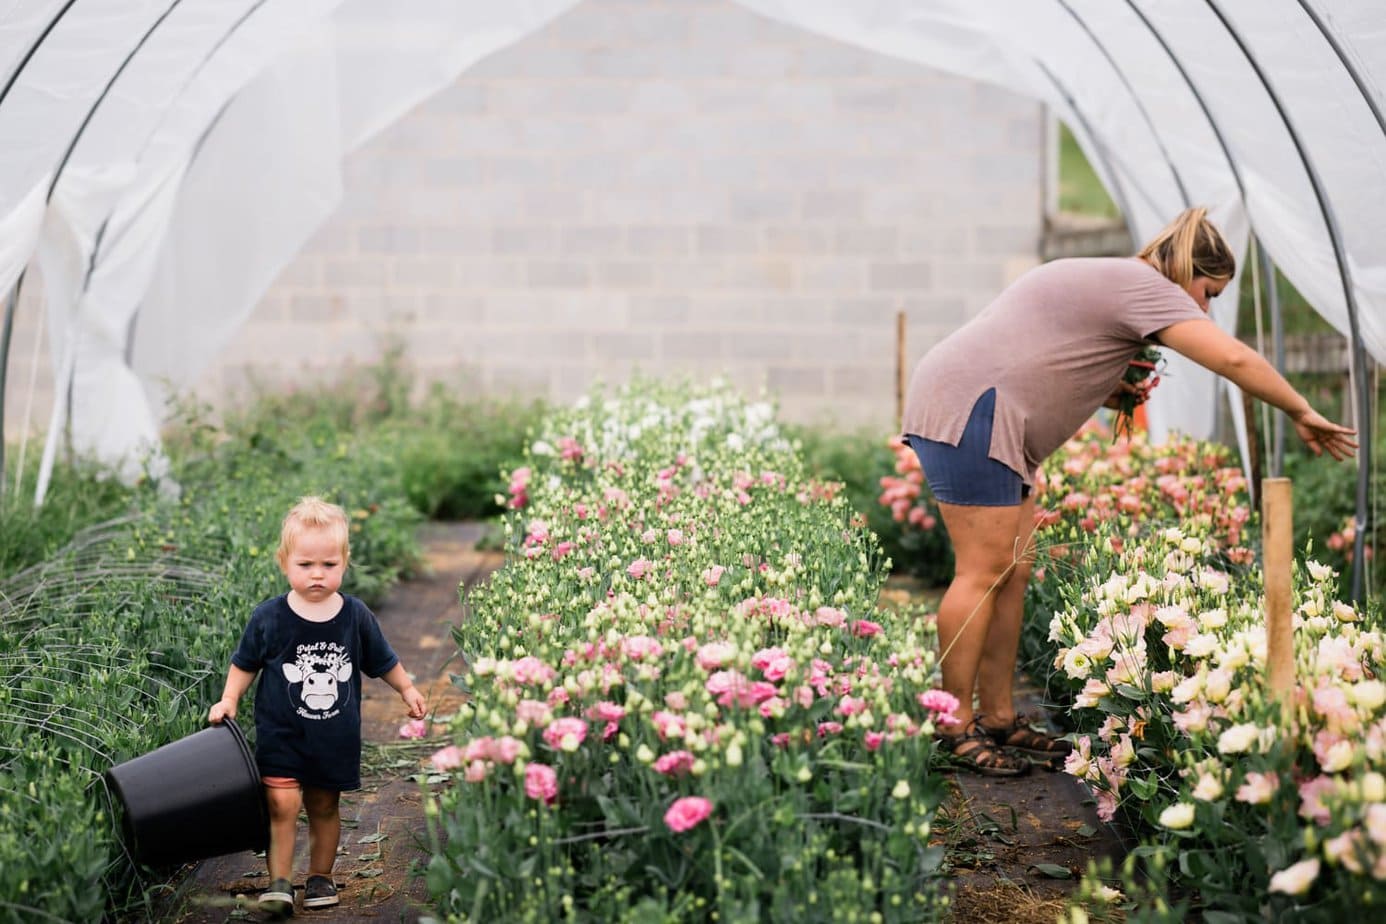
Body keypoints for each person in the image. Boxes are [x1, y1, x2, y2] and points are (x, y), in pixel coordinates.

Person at [900, 207, 1356, 777]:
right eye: (1208, 292)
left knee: (1013, 571)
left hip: (982, 408)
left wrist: (1107, 384)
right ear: (1188, 270)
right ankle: (951, 725)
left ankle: (996, 716)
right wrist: (1301, 409)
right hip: (974, 411)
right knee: (983, 570)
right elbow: (1233, 357)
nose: (1205, 308)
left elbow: (1045, 345)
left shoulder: (1120, 282)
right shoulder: (1147, 286)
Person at [209, 496, 427, 914]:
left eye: (328, 565)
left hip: (333, 737)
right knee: (281, 804)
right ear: (284, 562)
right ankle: (278, 883)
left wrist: (407, 689)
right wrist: (229, 698)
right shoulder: (268, 617)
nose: (317, 575)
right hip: (281, 734)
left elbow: (383, 660)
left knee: (324, 805)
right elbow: (244, 663)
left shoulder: (354, 616)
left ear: (344, 562)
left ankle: (321, 877)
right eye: (305, 565)